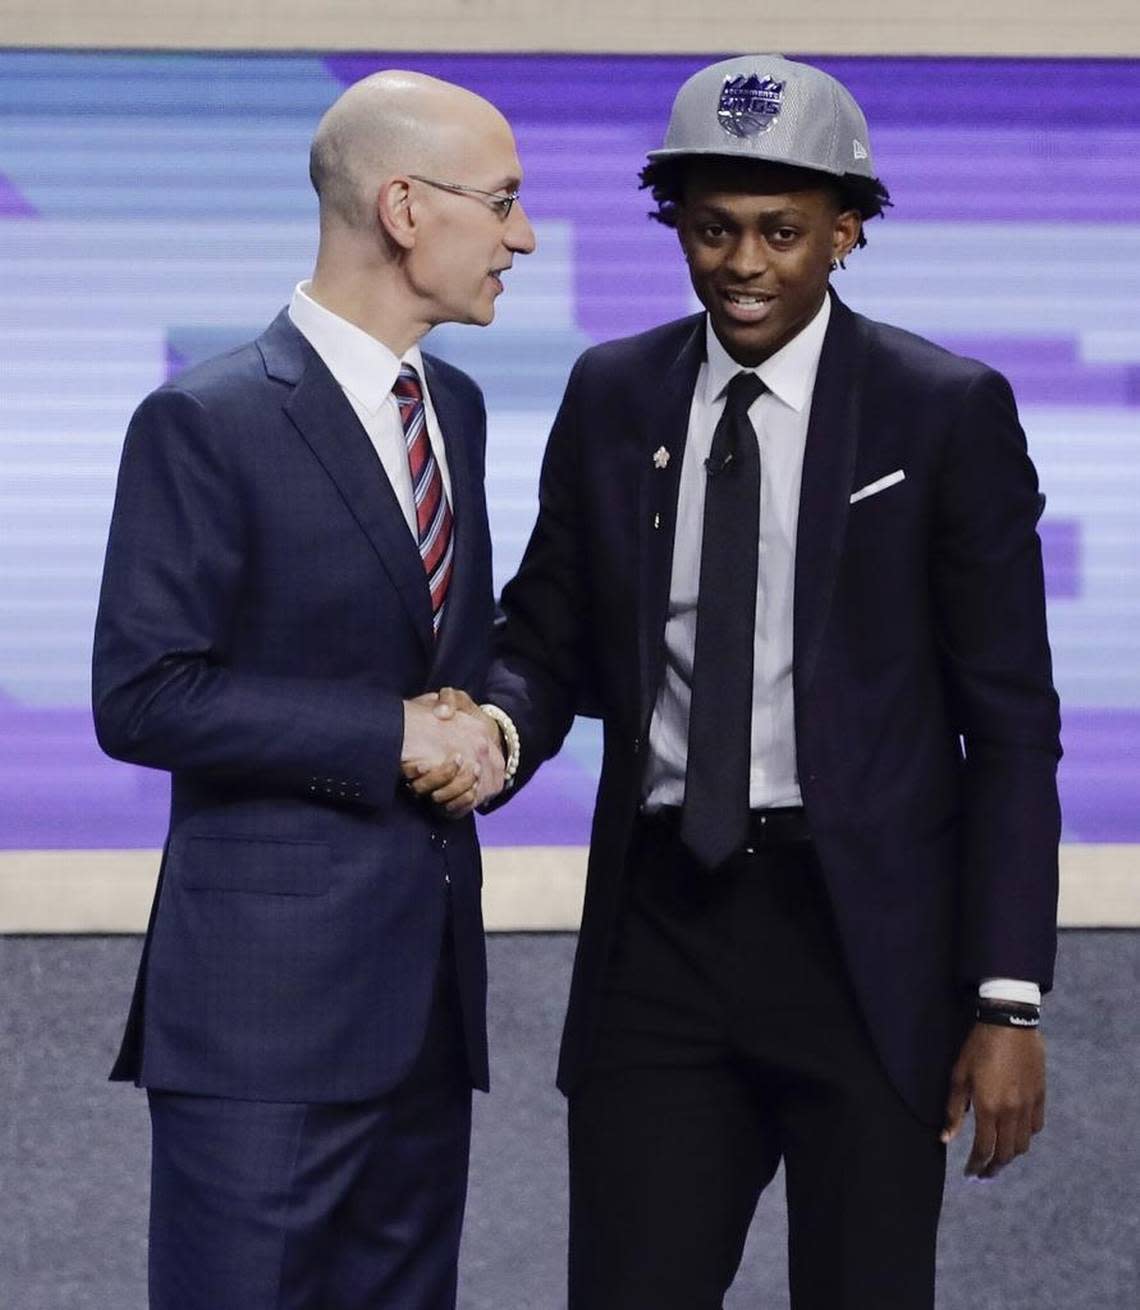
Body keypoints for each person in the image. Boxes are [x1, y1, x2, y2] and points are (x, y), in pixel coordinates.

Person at [420, 54, 1061, 1308]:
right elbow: (548, 631)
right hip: (660, 937)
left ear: (847, 230)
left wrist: (1008, 999)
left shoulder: (943, 411)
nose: (745, 263)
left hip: (867, 949)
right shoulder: (613, 392)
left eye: (782, 230)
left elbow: (1014, 724)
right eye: (712, 229)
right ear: (678, 228)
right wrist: (493, 721)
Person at [92, 70, 535, 1310]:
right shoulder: (207, 418)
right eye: (502, 203)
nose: (524, 236)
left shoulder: (456, 404)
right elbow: (145, 694)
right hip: (261, 1025)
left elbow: (460, 655)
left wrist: (490, 726)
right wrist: (388, 731)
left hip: (426, 1014)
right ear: (405, 207)